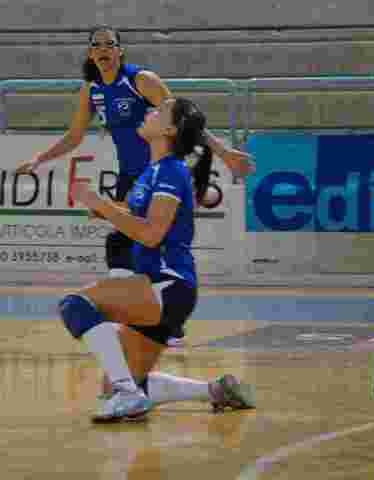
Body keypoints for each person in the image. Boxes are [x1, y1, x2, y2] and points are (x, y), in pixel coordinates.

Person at [15, 24, 254, 345]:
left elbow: (184, 119)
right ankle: (142, 317)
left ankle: (160, 320)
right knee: (122, 245)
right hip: (130, 177)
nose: (103, 50)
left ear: (120, 51)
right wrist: (39, 159)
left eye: (109, 44)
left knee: (143, 243)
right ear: (90, 53)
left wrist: (223, 153)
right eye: (97, 45)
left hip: (159, 173)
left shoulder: (140, 80)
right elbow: (74, 136)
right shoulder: (92, 90)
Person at [61, 96, 255, 422]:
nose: (150, 111)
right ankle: (214, 391)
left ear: (169, 129)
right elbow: (135, 216)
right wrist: (102, 208)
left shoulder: (170, 171)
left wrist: (102, 204)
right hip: (164, 288)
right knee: (113, 385)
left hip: (167, 284)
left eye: (160, 110)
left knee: (76, 305)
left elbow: (151, 234)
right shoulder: (154, 171)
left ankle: (129, 394)